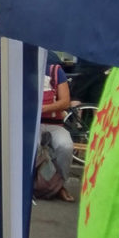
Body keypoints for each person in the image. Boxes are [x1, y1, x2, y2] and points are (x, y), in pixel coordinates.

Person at [39, 55, 75, 201]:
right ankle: (31, 184)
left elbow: (65, 102)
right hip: (30, 125)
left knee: (65, 146)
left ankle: (59, 185)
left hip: (54, 123)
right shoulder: (21, 69)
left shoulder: (55, 70)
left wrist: (42, 108)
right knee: (31, 148)